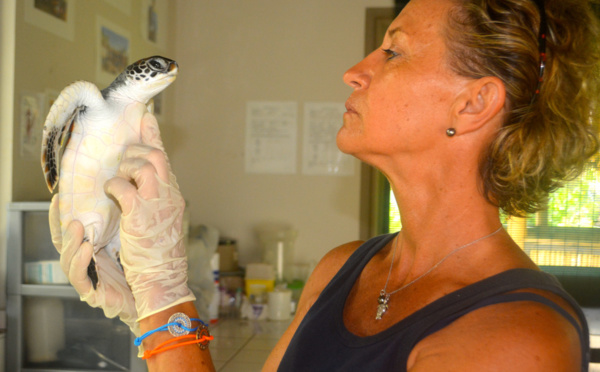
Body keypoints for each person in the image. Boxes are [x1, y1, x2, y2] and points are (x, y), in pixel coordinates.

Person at [50, 0, 600, 370]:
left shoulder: (518, 338)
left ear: (474, 103)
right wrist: (153, 306)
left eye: (393, 50)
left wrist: (166, 295)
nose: (354, 71)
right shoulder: (341, 268)